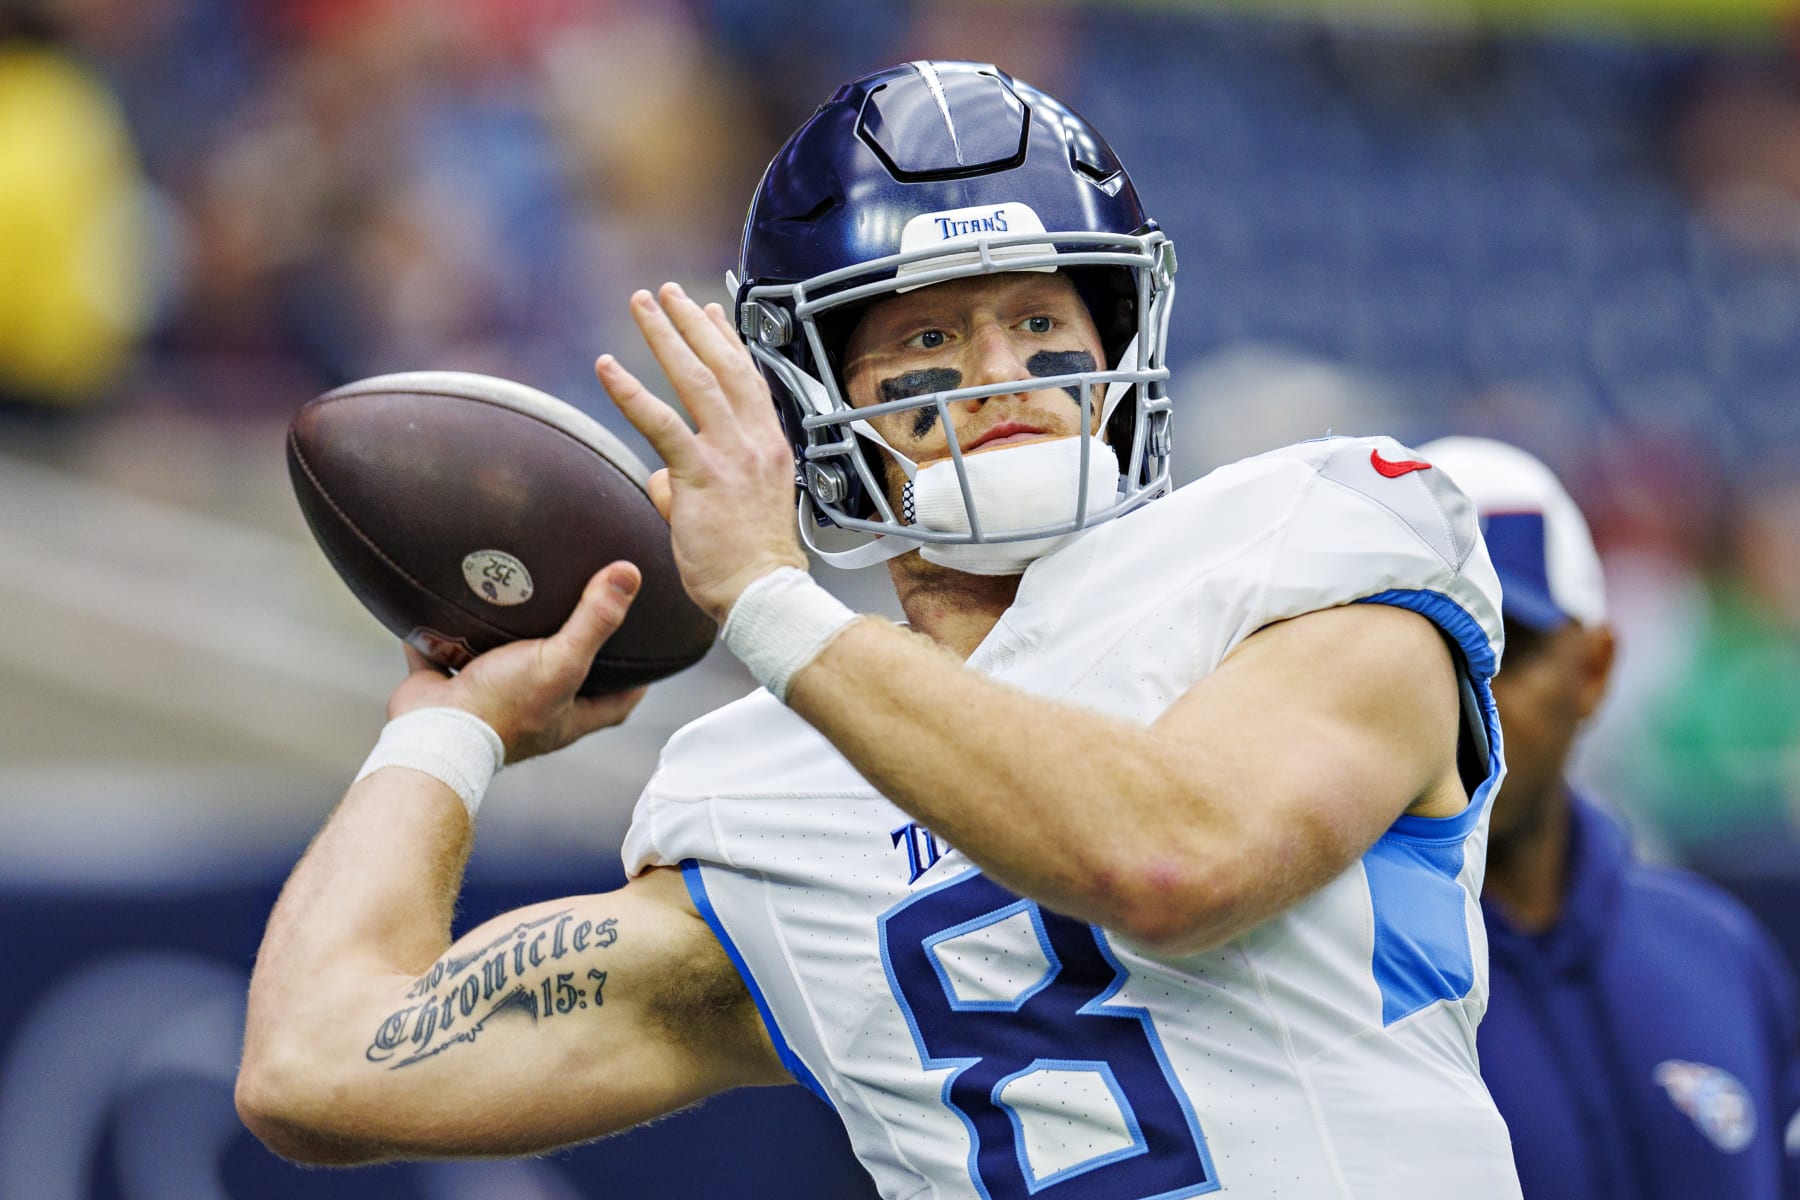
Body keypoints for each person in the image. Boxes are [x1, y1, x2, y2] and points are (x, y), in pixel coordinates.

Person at [237, 62, 1524, 1198]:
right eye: (928, 336)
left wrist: (772, 605)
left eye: (1040, 322)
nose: (1004, 376)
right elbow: (317, 1065)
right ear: (807, 404)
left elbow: (1174, 865)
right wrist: (445, 732)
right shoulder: (765, 798)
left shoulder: (1312, 543)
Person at [1420, 436, 1800, 1200]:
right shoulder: (1332, 974)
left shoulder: (1718, 950)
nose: (1467, 703)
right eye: (1426, 658)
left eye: (1505, 651)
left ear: (1593, 671)